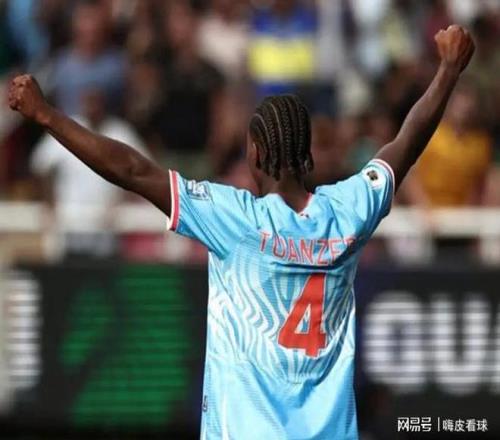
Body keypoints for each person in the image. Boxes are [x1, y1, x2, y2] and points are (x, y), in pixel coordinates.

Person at [8, 25, 474, 440]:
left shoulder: (235, 219)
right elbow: (405, 144)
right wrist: (448, 71)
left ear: (254, 154)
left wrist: (47, 115)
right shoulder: (348, 212)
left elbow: (131, 169)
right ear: (306, 152)